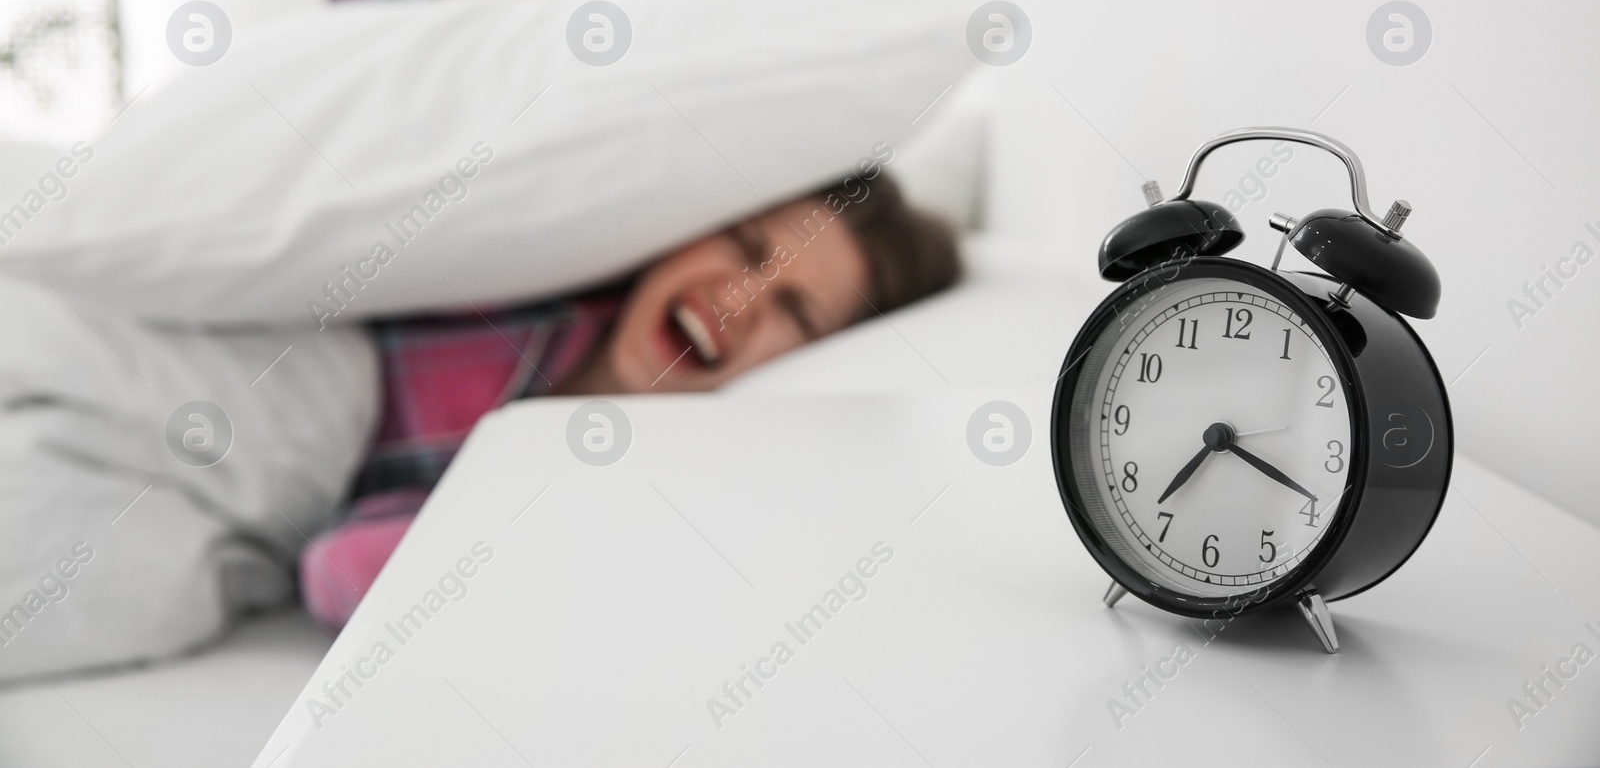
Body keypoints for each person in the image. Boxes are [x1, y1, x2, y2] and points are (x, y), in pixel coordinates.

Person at [0, 140, 957, 683]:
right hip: (274, 357)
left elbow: (338, 568)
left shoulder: (614, 495)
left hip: (263, 511)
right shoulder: (541, 268)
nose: (740, 301)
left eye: (793, 308)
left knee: (144, 584)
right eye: (748, 249)